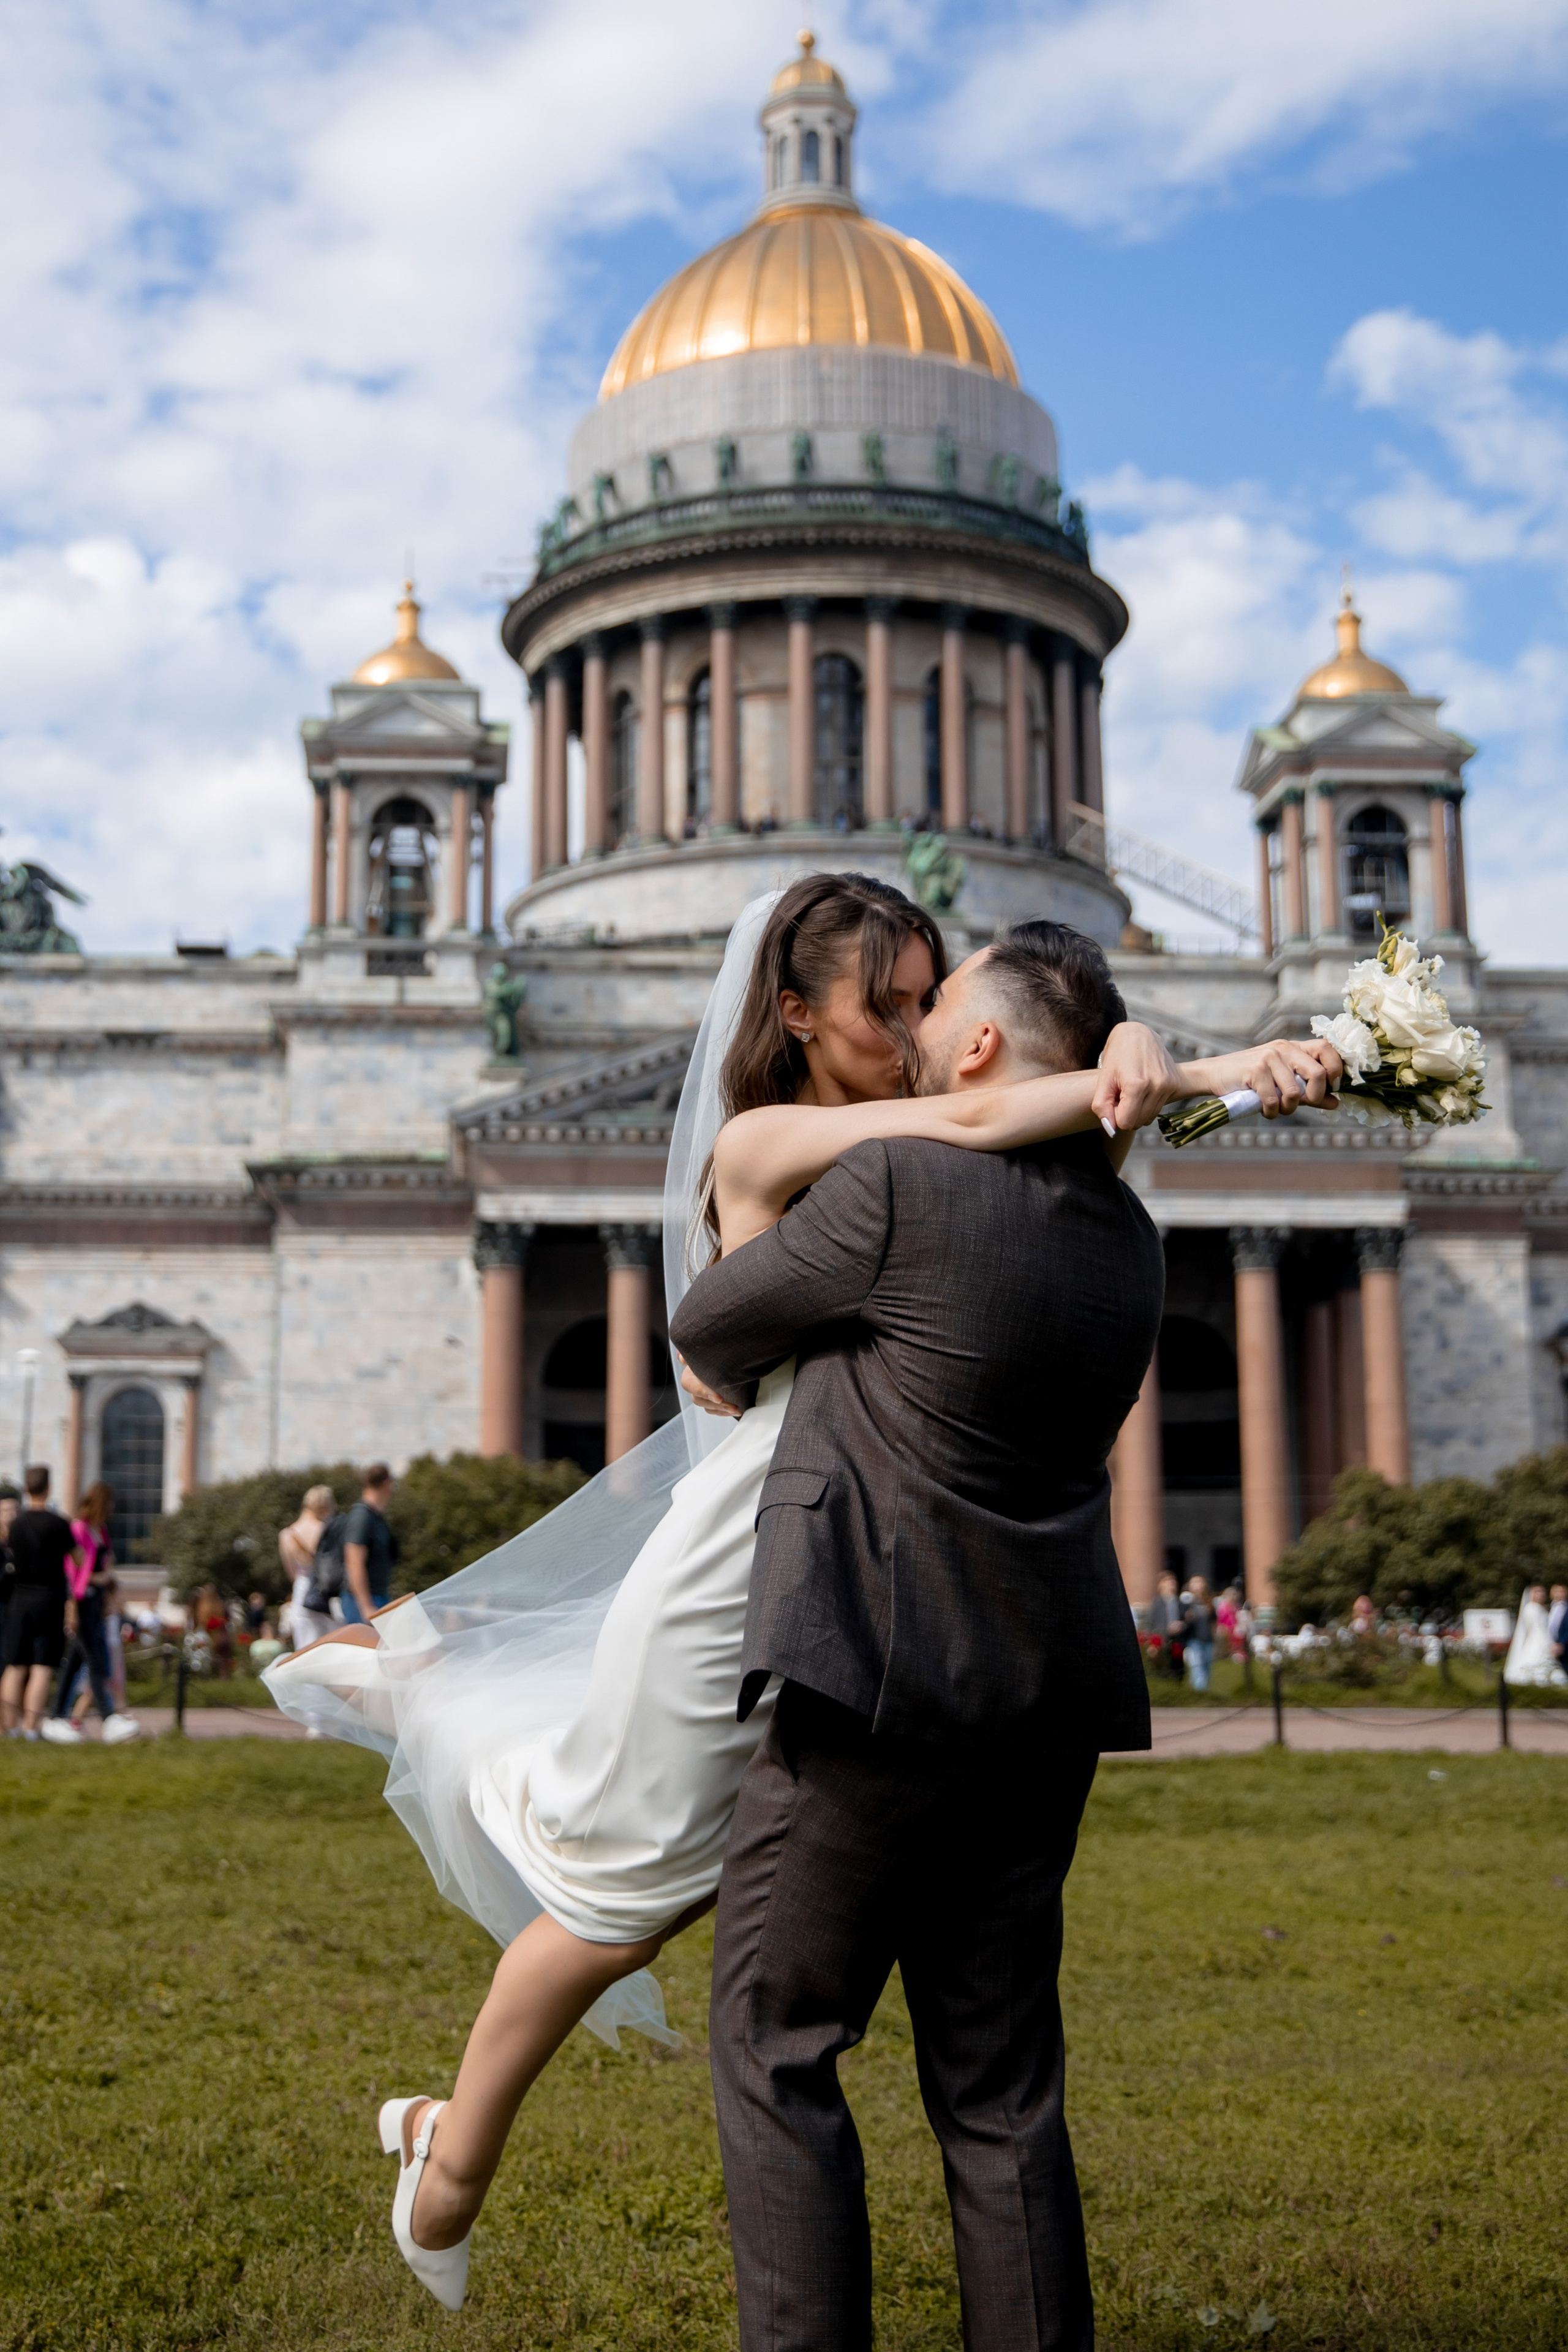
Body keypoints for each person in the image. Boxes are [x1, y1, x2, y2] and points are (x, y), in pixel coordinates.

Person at [265, 878, 1341, 2310]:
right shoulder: (859, 1157)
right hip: (832, 1592)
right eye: (883, 1003)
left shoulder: (953, 1172)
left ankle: (443, 2088)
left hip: (852, 1610)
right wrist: (1172, 1065)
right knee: (645, 1896)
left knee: (706, 1967)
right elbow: (949, 1147)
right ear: (792, 1010)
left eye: (925, 1003)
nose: (907, 1029)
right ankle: (422, 1721)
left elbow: (977, 1146)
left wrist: (1126, 1061)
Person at [44, 1482, 140, 1744]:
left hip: (96, 1603)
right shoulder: (80, 1529)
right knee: (97, 1662)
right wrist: (73, 1606)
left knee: (75, 1662)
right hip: (81, 1602)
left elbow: (105, 1566)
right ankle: (109, 1717)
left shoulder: (101, 1531)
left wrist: (107, 1590)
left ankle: (56, 1715)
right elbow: (76, 1573)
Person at [1, 1466, 77, 1740]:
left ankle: (9, 1728)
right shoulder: (59, 1523)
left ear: (26, 1489)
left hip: (20, 1600)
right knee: (42, 1666)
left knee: (15, 1665)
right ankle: (31, 1728)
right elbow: (77, 1559)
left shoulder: (16, 1525)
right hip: (49, 1599)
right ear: (49, 1488)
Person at [279, 1486, 338, 1649]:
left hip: (302, 1590)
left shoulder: (287, 1534)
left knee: (306, 1648)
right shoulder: (326, 1530)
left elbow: (291, 1572)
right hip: (327, 1593)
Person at [341, 1467, 397, 1623]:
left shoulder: (375, 1516)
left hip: (377, 1596)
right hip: (363, 1600)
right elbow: (354, 1560)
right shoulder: (362, 1516)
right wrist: (365, 1604)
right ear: (387, 1484)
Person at [1504, 1583, 1568, 1687]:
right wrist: (1549, 1645)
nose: (1540, 1595)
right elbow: (1538, 1630)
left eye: (1542, 1592)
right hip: (1539, 1643)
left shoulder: (1544, 1609)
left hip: (1546, 1641)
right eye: (1537, 1592)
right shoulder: (1531, 1608)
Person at [1147, 1568, 1184, 1678]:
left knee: (1178, 1674)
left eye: (1173, 1581)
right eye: (1168, 1581)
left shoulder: (1180, 1602)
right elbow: (1151, 1624)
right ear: (1160, 1585)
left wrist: (1182, 1625)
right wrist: (1153, 1644)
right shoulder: (1157, 1603)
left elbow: (1186, 1620)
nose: (1172, 1584)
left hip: (1177, 1643)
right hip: (1162, 1643)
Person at [1183, 1573, 1216, 1693]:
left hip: (1208, 1639)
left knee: (1207, 1666)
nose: (1197, 1585)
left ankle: (1205, 1692)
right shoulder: (1187, 1602)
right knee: (1197, 1666)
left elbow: (1214, 1623)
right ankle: (1199, 1693)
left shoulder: (1209, 1603)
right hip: (1194, 1639)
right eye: (1194, 1582)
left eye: (1199, 1582)